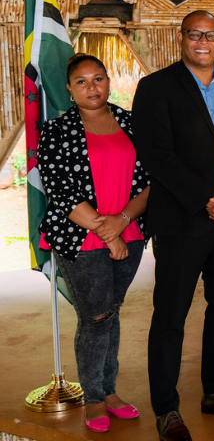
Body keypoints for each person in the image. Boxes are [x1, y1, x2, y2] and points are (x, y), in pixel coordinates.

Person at [132, 11, 214, 441]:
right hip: (182, 222)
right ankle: (166, 409)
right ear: (181, 38)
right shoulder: (156, 88)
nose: (203, 42)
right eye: (195, 35)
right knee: (170, 316)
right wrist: (210, 201)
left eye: (211, 36)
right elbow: (157, 156)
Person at [38, 55, 149, 433]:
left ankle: (110, 391)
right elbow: (60, 190)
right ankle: (94, 398)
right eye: (81, 82)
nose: (92, 87)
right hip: (79, 236)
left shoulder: (133, 123)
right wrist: (108, 233)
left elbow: (150, 181)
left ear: (108, 81)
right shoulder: (55, 131)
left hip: (129, 230)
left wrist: (122, 226)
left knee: (111, 311)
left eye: (98, 78)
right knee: (96, 316)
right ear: (69, 89)